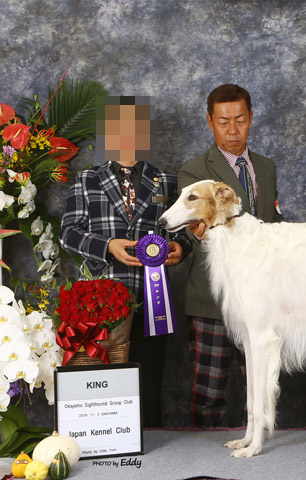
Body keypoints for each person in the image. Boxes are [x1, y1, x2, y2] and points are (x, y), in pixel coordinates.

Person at [60, 96, 191, 427]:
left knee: (148, 379)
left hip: (152, 301)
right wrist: (108, 245)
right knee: (103, 381)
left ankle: (151, 438)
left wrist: (181, 247)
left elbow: (186, 232)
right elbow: (68, 234)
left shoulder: (167, 181)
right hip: (101, 302)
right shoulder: (86, 179)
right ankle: (102, 438)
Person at [178, 84, 284, 427]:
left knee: (261, 384)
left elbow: (272, 223)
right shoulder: (194, 171)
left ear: (251, 118)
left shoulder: (266, 167)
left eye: (239, 120)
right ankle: (205, 450)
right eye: (223, 122)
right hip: (213, 299)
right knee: (209, 392)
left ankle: (256, 439)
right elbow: (195, 230)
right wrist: (201, 232)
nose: (233, 130)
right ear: (210, 122)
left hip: (263, 296)